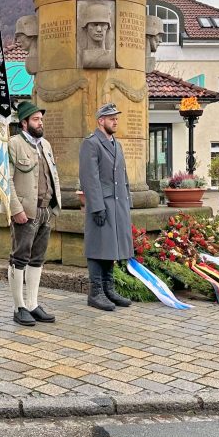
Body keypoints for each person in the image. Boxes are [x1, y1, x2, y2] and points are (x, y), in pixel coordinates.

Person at [6, 101, 61, 326]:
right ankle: (18, 307)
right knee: (19, 258)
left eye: (41, 119)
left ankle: (32, 304)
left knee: (37, 259)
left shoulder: (45, 144)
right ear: (24, 123)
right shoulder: (13, 144)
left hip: (45, 211)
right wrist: (16, 209)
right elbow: (5, 180)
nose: (40, 123)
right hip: (25, 213)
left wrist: (53, 208)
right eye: (36, 119)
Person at [79, 103, 132, 311]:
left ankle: (109, 289)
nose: (115, 121)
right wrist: (96, 207)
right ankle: (96, 292)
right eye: (111, 118)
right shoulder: (91, 144)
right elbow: (89, 178)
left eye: (116, 118)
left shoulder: (116, 144)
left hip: (118, 203)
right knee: (97, 246)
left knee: (111, 246)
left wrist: (128, 202)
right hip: (101, 204)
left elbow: (123, 177)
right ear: (101, 121)